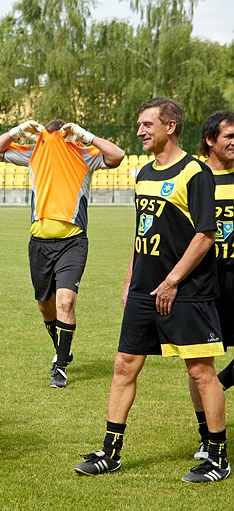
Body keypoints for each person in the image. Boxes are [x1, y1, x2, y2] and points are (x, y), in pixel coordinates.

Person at [74, 97, 229, 483]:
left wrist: (172, 281)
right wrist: (131, 280)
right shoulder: (143, 173)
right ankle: (110, 452)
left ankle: (217, 457)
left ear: (170, 126)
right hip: (145, 290)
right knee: (124, 365)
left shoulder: (195, 172)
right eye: (140, 124)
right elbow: (142, 230)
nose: (140, 131)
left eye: (147, 124)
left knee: (200, 372)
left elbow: (205, 235)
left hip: (187, 290)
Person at [0, 119, 125, 387]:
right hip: (39, 243)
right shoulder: (35, 150)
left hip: (72, 242)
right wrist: (17, 131)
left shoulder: (83, 153)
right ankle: (61, 347)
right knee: (45, 305)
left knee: (66, 302)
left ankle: (60, 367)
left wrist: (86, 136)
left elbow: (117, 155)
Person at [186, 110, 234, 460]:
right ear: (210, 139)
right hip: (204, 280)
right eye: (229, 136)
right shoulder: (195, 176)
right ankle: (207, 436)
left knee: (211, 375)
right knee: (199, 362)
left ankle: (221, 384)